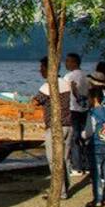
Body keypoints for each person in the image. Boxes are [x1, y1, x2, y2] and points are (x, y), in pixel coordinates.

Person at [32, 56, 74, 198]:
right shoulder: (66, 83)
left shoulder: (48, 86)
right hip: (69, 125)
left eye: (42, 68)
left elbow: (34, 102)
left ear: (49, 69)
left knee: (54, 159)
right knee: (65, 158)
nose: (40, 71)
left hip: (56, 127)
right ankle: (65, 188)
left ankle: (59, 192)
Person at [82, 87, 105, 207]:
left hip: (95, 144)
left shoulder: (92, 113)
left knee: (96, 173)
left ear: (94, 98)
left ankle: (98, 198)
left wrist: (82, 135)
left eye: (89, 98)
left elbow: (88, 131)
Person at [64, 53, 89, 175]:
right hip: (84, 109)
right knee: (84, 136)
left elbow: (63, 92)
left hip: (73, 109)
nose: (66, 63)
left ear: (74, 62)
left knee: (74, 138)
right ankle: (87, 165)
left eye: (68, 61)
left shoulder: (69, 76)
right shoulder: (86, 76)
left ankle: (77, 166)